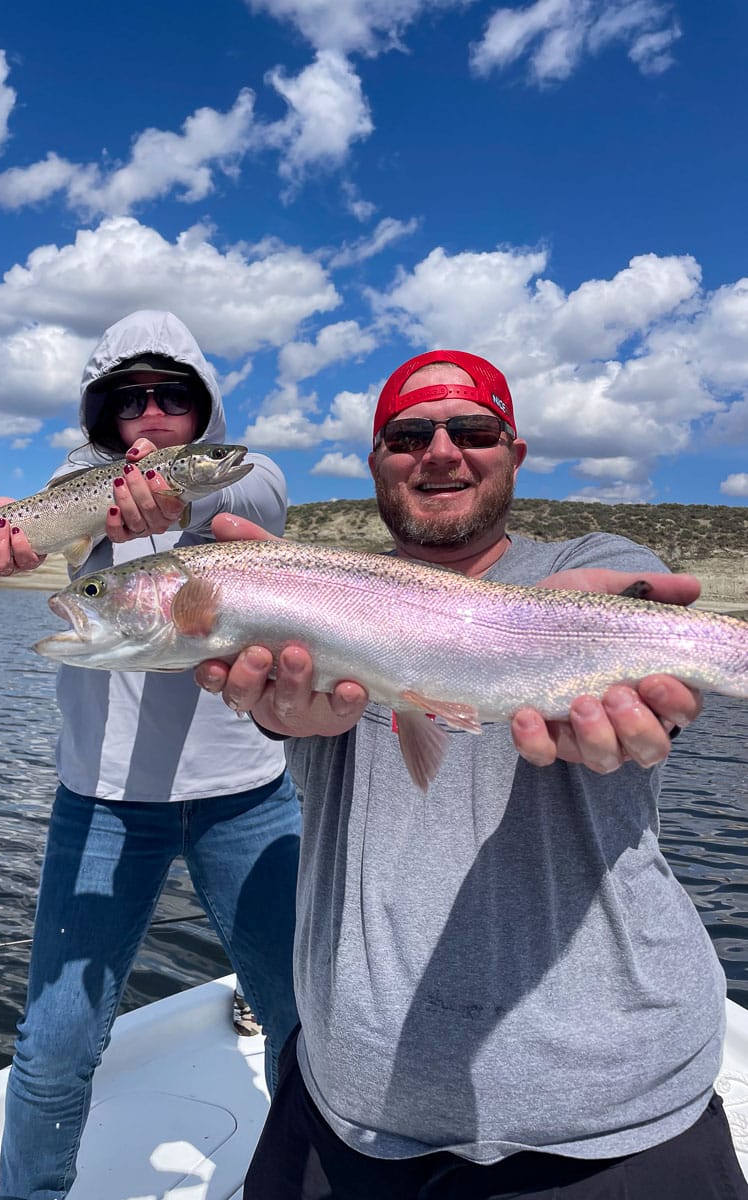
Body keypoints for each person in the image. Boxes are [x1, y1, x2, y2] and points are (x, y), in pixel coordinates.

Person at [195, 349, 747, 1199]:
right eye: (409, 435)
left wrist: (645, 690)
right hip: (351, 1107)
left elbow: (654, 657)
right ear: (376, 461)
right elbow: (287, 711)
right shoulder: (309, 596)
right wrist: (274, 711)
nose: (442, 451)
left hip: (615, 1116)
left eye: (474, 430)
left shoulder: (593, 558)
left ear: (514, 452)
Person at [0, 309, 301, 1200]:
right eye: (128, 399)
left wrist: (188, 498)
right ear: (101, 415)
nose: (150, 416)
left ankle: (322, 1181)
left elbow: (249, 498)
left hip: (248, 799)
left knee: (306, 1018)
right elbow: (36, 527)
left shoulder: (243, 478)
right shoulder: (79, 484)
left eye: (172, 397)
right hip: (100, 802)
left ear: (202, 410)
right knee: (55, 1047)